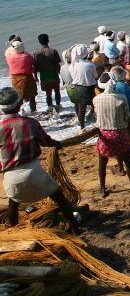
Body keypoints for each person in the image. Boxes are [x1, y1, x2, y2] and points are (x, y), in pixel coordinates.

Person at [0, 88, 80, 233]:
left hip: (11, 176)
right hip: (33, 172)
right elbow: (46, 141)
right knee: (60, 199)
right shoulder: (30, 123)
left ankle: (13, 232)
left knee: (13, 203)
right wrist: (57, 144)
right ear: (19, 105)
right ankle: (75, 229)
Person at [94, 73, 130, 197]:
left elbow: (97, 116)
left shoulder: (96, 99)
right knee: (128, 161)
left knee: (102, 161)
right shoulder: (121, 97)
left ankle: (102, 189)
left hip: (105, 136)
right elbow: (127, 115)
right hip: (120, 134)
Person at [69, 44, 98, 129]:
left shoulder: (72, 65)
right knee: (95, 107)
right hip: (89, 88)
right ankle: (97, 124)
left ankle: (82, 127)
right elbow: (95, 76)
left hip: (78, 88)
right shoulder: (90, 65)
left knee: (81, 109)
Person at [32, 34, 62, 113]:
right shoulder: (53, 51)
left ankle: (50, 106)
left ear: (39, 42)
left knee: (48, 93)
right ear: (48, 40)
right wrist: (60, 74)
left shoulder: (35, 53)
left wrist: (35, 77)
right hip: (53, 73)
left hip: (43, 75)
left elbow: (34, 67)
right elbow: (57, 65)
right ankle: (58, 105)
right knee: (57, 90)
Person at [5, 41, 38, 113]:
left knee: (18, 98)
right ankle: (34, 111)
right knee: (32, 96)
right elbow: (31, 64)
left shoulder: (9, 58)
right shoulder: (27, 56)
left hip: (15, 79)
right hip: (27, 77)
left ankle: (19, 112)